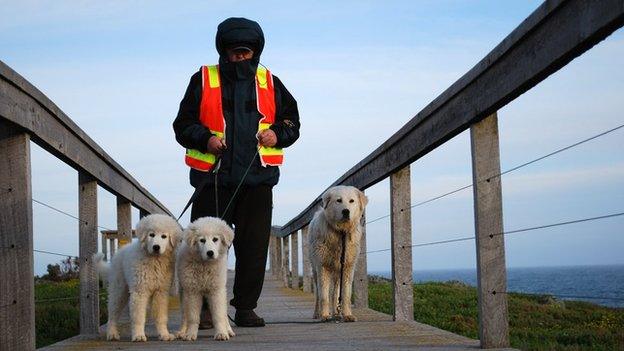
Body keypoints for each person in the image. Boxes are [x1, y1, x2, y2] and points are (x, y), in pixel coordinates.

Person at [173, 17, 300, 327]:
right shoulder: (202, 79)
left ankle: (245, 308)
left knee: (254, 247)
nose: (239, 57)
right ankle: (203, 312)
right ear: (223, 51)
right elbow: (182, 125)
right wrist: (206, 139)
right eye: (234, 52)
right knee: (200, 248)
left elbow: (292, 123)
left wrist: (277, 135)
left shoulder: (271, 81)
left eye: (245, 52)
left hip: (258, 181)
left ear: (255, 51)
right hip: (212, 180)